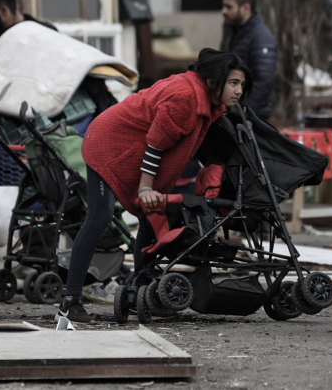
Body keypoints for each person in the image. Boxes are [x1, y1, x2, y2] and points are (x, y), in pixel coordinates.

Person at [56, 49, 253, 323]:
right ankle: (70, 300)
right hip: (107, 145)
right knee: (99, 218)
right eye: (233, 83)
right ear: (212, 80)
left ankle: (139, 292)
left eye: (242, 84)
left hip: (127, 148)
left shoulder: (207, 100)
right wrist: (145, 189)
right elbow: (156, 143)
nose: (239, 90)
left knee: (151, 219)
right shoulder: (186, 97)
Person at [222, 0, 277, 120]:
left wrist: (243, 111)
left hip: (252, 118)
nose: (223, 11)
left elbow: (264, 81)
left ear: (246, 8)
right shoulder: (238, 34)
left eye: (229, 7)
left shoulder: (261, 37)